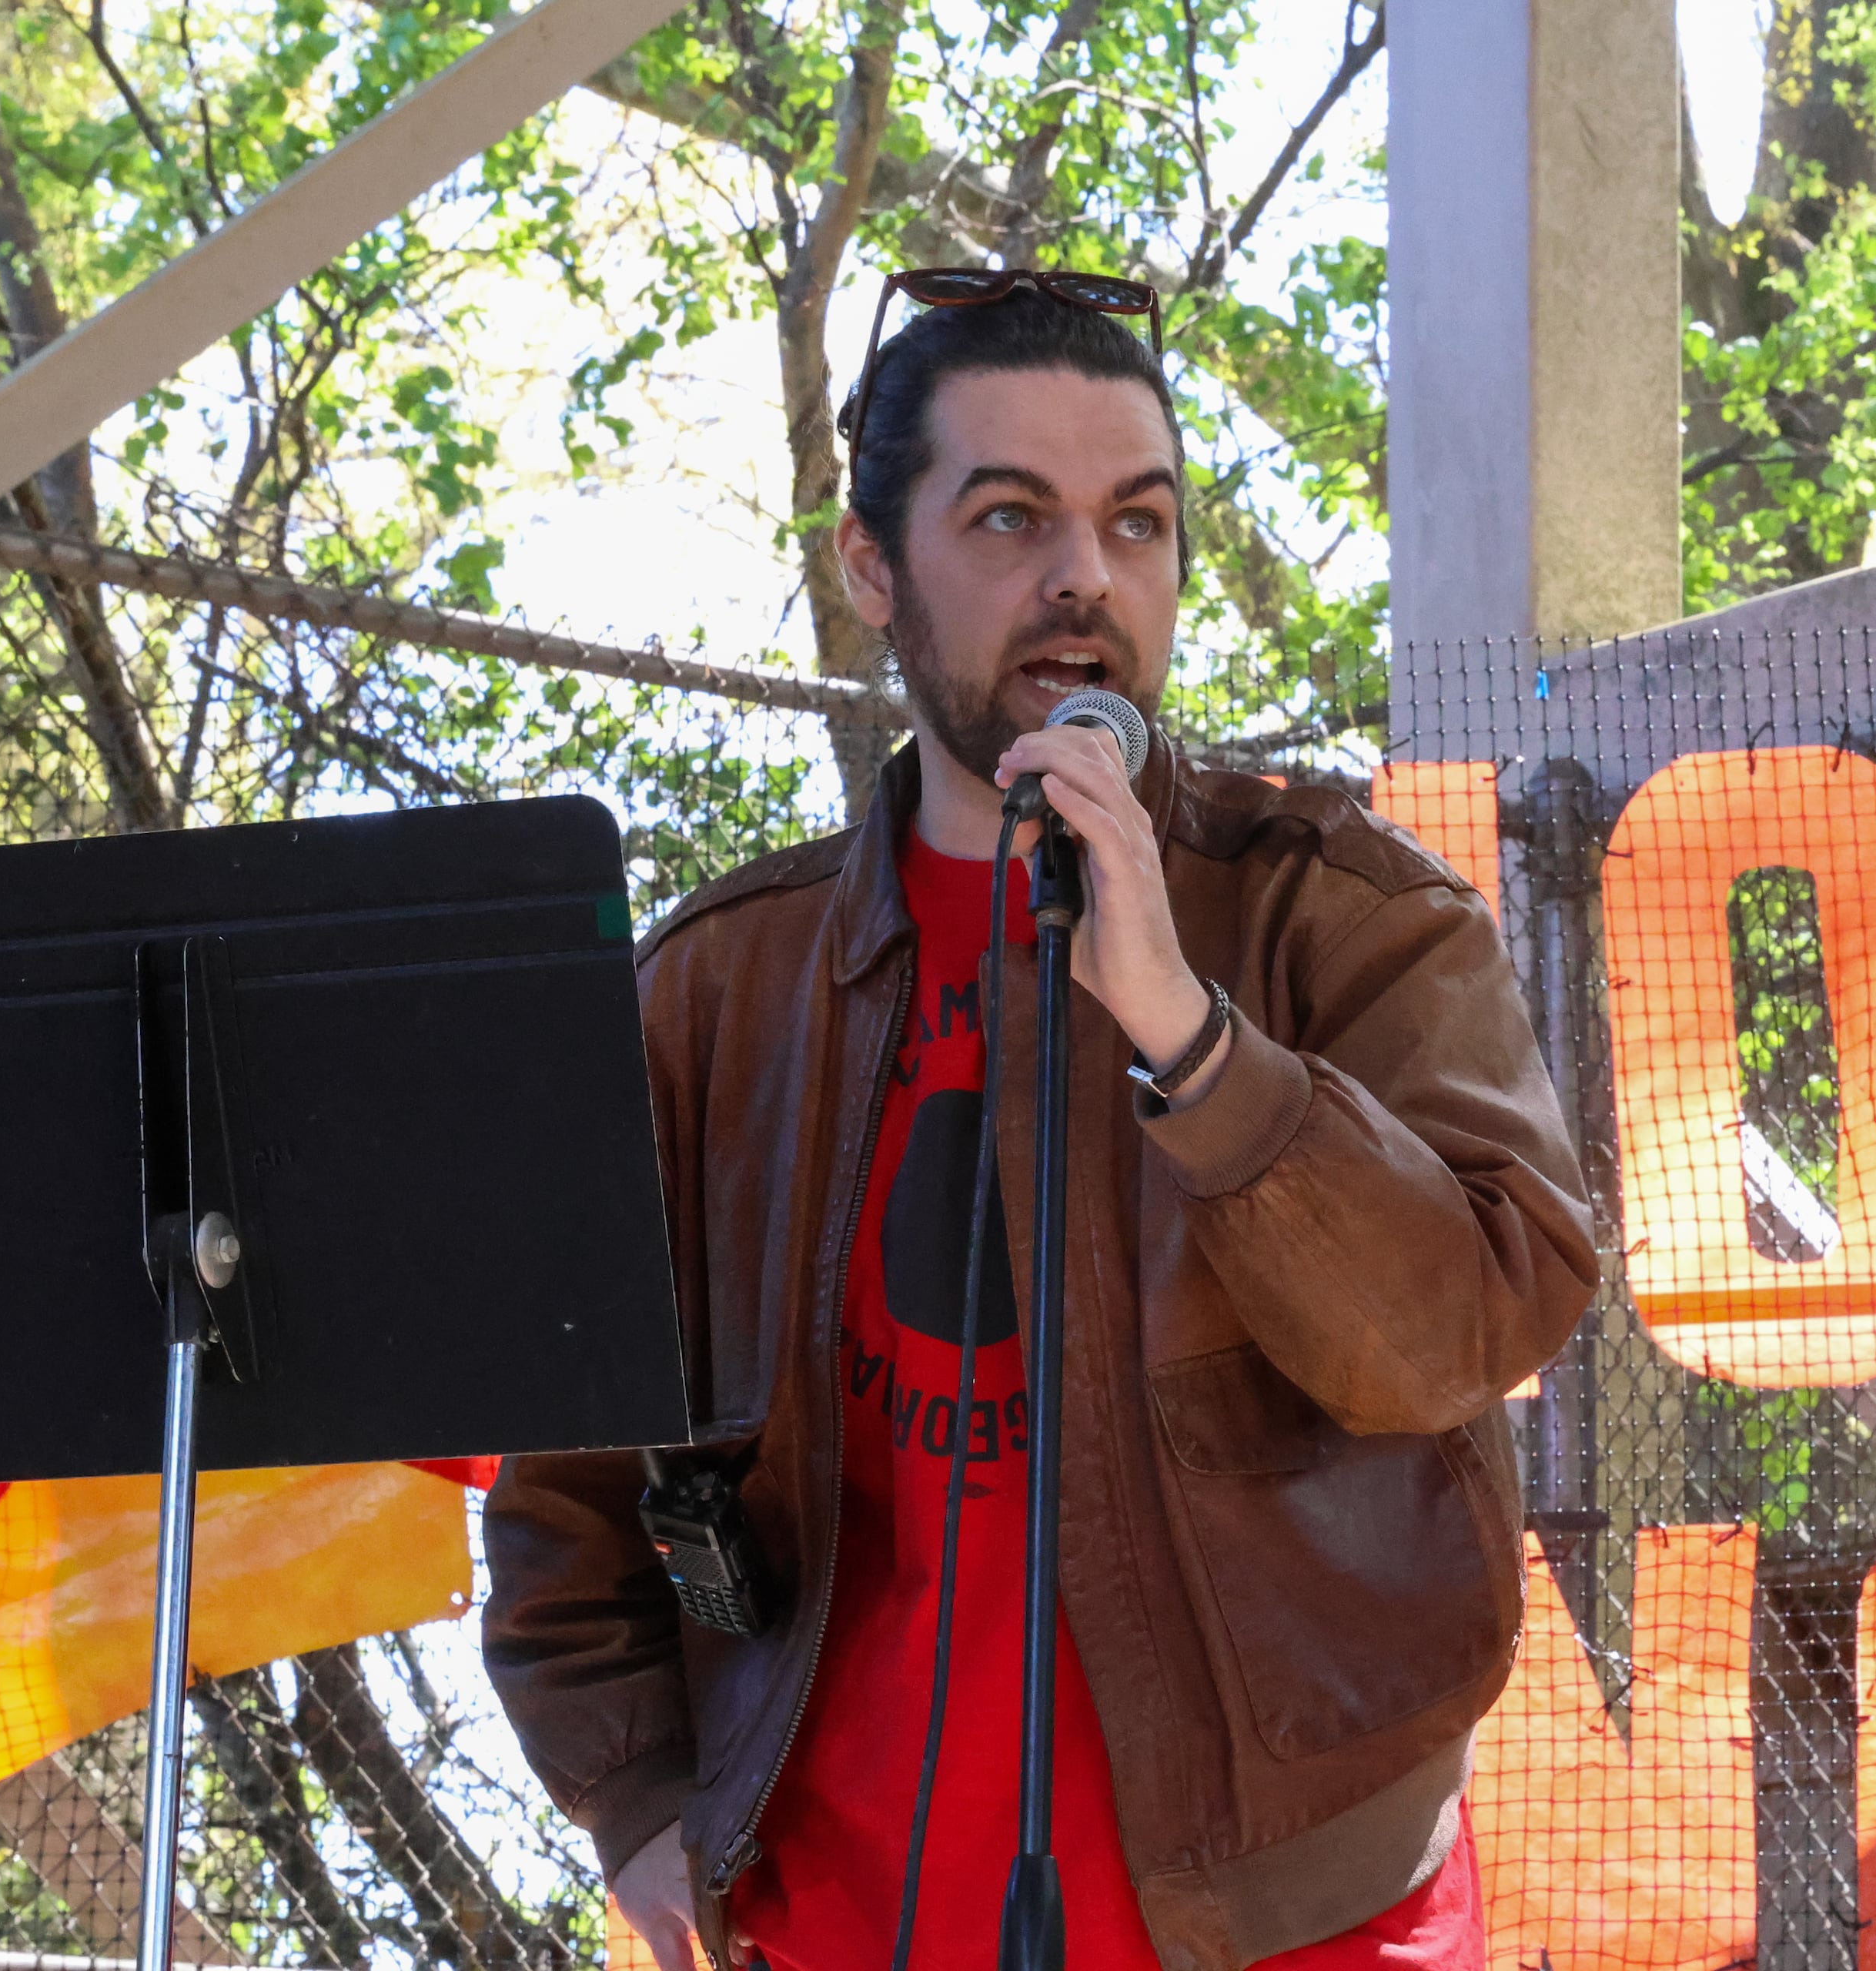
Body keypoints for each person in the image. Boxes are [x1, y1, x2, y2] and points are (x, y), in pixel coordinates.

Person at [482, 269, 1597, 1971]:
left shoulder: (1344, 913)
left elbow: (1467, 1324)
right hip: (836, 1922)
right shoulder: (715, 994)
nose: (1086, 574)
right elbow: (566, 1473)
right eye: (1012, 516)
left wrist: (1191, 1035)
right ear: (871, 567)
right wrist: (633, 1794)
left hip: (1294, 1922)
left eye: (1136, 523)